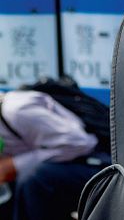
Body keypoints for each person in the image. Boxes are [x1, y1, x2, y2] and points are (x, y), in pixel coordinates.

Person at [0, 89, 108, 220]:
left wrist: (15, 164)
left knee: (36, 177)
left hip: (98, 165)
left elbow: (80, 143)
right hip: (65, 169)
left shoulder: (18, 111)